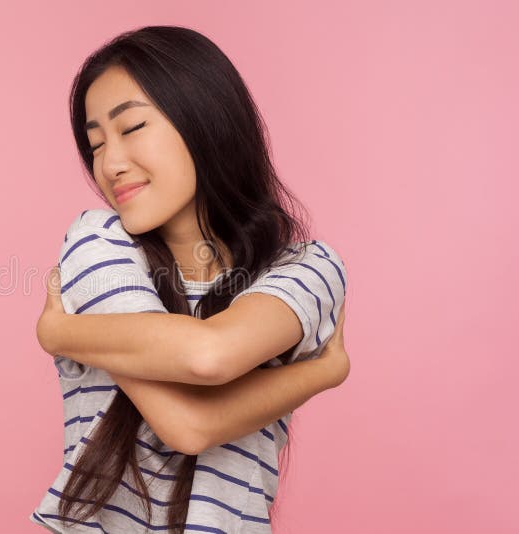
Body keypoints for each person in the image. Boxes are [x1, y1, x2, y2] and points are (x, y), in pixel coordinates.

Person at [30, 25, 350, 534]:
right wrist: (324, 372)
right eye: (95, 145)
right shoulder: (96, 242)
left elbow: (209, 358)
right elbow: (189, 421)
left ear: (206, 120)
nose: (110, 163)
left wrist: (62, 332)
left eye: (132, 128)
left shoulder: (308, 268)